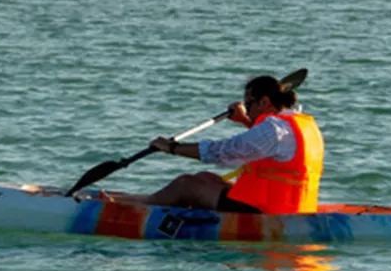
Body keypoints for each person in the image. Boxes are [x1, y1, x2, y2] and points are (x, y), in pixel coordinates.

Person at [105, 75, 324, 214]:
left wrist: (171, 148)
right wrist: (246, 121)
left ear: (265, 102)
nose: (248, 109)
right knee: (205, 178)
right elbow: (269, 151)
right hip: (290, 207)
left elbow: (224, 153)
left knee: (186, 184)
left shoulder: (274, 129)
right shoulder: (300, 124)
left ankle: (124, 209)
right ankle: (130, 199)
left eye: (249, 104)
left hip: (266, 212)